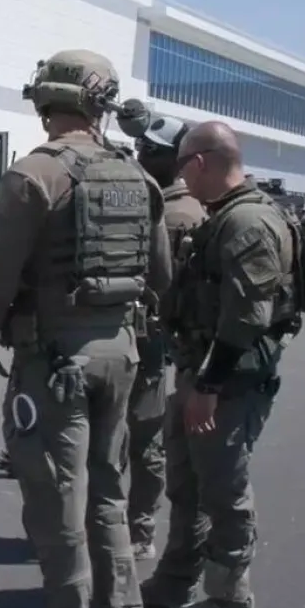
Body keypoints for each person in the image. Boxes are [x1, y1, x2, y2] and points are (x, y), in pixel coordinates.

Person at [0, 51, 171, 608]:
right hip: (120, 356)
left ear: (44, 100)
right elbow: (162, 278)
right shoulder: (141, 178)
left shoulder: (35, 175)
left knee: (57, 507)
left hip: (54, 362)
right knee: (107, 499)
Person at [142, 121, 297, 608]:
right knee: (187, 482)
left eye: (184, 166)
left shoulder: (248, 222)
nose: (183, 178)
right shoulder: (224, 217)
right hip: (202, 372)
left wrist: (207, 387)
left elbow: (248, 318)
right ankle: (177, 577)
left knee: (225, 489)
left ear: (201, 163)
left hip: (227, 382)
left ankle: (231, 601)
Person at [122, 118, 205, 560]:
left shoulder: (179, 214)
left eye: (151, 150)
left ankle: (139, 527)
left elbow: (166, 286)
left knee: (143, 436)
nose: (141, 155)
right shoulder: (156, 203)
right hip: (140, 336)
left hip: (152, 338)